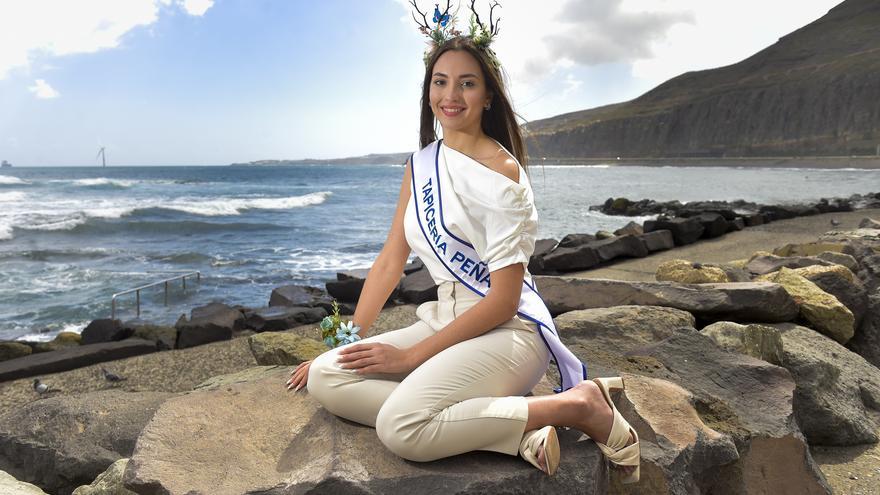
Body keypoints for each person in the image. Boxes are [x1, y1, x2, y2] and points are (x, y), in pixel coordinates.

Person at [286, 3, 639, 483]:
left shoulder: (502, 173)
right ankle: (512, 429)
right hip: (446, 320)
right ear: (428, 90)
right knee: (327, 376)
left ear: (488, 95)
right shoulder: (420, 165)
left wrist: (411, 359)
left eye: (467, 83)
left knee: (401, 428)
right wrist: (347, 341)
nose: (451, 95)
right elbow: (391, 260)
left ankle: (578, 405)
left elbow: (505, 299)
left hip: (506, 332)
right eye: (440, 81)